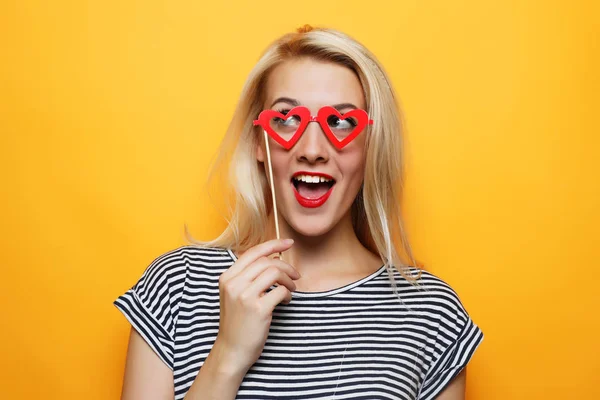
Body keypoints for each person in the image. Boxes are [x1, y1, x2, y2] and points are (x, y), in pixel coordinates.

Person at [114, 24, 484, 400]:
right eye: (287, 118)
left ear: (373, 144)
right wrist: (228, 356)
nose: (311, 149)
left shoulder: (431, 315)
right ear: (259, 142)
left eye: (340, 122)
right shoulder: (177, 287)